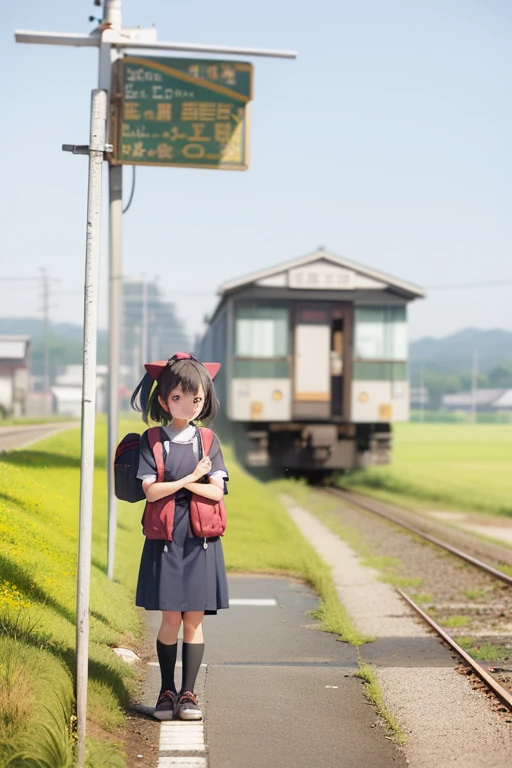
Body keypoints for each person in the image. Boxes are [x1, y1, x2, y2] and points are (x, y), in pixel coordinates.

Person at [130, 352, 229, 721]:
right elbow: (150, 492)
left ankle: (188, 695)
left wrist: (183, 485)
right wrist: (192, 479)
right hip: (166, 539)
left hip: (201, 540)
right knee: (170, 618)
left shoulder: (208, 440)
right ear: (163, 399)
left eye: (196, 399)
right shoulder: (153, 440)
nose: (188, 404)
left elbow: (217, 493)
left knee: (194, 620)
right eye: (178, 398)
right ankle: (165, 690)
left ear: (204, 401)